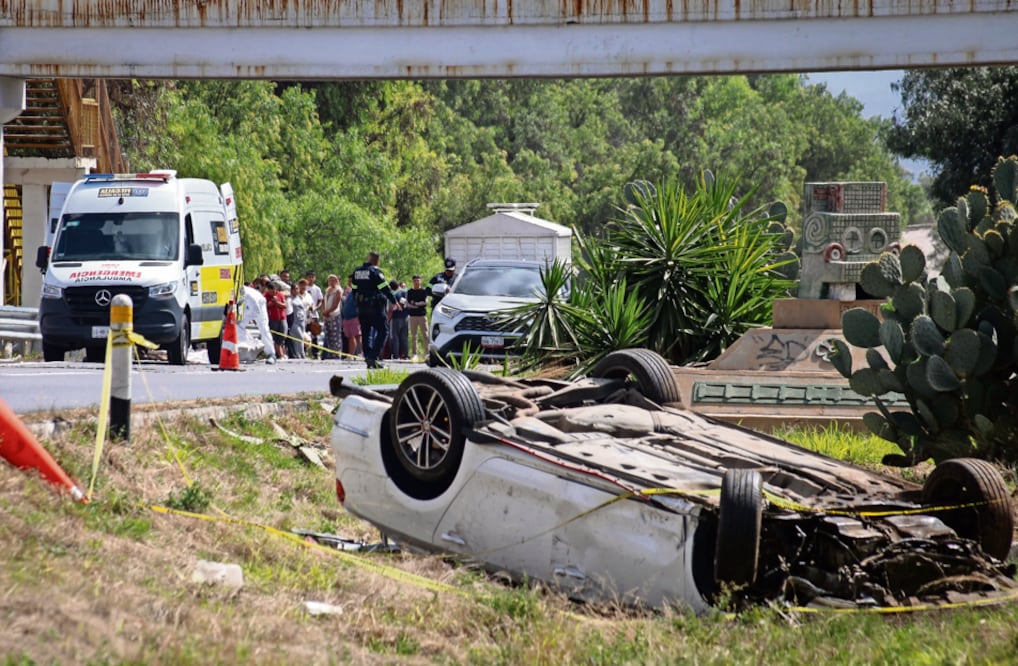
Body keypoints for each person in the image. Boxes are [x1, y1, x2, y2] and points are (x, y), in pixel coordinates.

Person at [351, 251, 400, 369]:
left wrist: (357, 305)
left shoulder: (357, 272)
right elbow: (385, 289)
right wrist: (394, 301)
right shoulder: (375, 272)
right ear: (377, 260)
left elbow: (354, 290)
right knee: (383, 330)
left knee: (366, 333)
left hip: (361, 307)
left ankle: (368, 357)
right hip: (374, 307)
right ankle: (372, 357)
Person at [238, 277, 276, 364]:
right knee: (238, 326)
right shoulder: (233, 293)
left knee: (263, 328)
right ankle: (241, 351)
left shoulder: (248, 294)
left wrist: (244, 322)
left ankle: (271, 354)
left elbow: (256, 310)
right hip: (247, 308)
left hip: (259, 304)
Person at [406, 274, 430, 361]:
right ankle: (414, 353)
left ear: (421, 281)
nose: (416, 282)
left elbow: (425, 302)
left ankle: (427, 353)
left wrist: (415, 304)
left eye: (418, 280)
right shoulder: (409, 292)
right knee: (413, 336)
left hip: (422, 315)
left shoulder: (424, 291)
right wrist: (416, 305)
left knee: (426, 335)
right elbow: (408, 303)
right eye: (415, 280)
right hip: (412, 316)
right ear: (413, 281)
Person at [320, 274, 343, 360]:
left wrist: (328, 311)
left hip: (334, 315)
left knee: (335, 336)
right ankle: (330, 353)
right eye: (330, 280)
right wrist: (323, 311)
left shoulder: (338, 290)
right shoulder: (327, 290)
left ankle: (337, 354)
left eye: (334, 280)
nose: (332, 282)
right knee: (328, 335)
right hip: (326, 316)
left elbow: (336, 304)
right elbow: (323, 301)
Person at [264, 280, 288, 360]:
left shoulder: (280, 295)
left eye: (274, 291)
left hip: (282, 318)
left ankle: (279, 350)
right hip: (272, 319)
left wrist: (277, 302)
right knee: (273, 336)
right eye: (271, 291)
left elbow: (285, 305)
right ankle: (279, 354)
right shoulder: (265, 296)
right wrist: (271, 303)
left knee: (283, 334)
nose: (273, 293)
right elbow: (264, 307)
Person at [387, 279, 410, 360]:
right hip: (406, 317)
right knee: (404, 337)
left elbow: (390, 309)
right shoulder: (406, 292)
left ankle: (396, 355)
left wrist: (387, 319)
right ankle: (406, 355)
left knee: (395, 337)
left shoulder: (393, 294)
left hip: (396, 317)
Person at [288, 280, 311, 359]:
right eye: (294, 289)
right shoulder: (289, 299)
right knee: (300, 338)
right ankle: (302, 355)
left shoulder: (300, 298)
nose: (296, 290)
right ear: (291, 290)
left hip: (301, 321)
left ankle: (298, 355)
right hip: (294, 322)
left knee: (298, 339)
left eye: (297, 289)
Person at [341, 276, 362, 359]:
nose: (350, 283)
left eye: (352, 281)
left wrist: (359, 316)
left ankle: (361, 353)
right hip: (347, 317)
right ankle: (351, 355)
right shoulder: (350, 292)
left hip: (354, 317)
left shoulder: (359, 292)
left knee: (357, 336)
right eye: (349, 281)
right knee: (350, 337)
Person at [304, 270, 324, 358]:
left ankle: (315, 353)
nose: (311, 279)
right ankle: (304, 351)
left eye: (312, 277)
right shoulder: (303, 288)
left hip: (314, 314)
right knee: (304, 333)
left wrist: (316, 307)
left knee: (314, 333)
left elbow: (320, 301)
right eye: (309, 277)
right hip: (304, 314)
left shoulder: (317, 289)